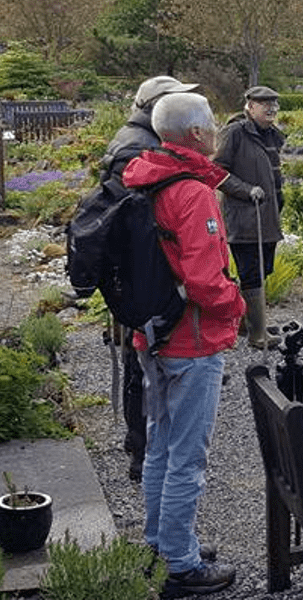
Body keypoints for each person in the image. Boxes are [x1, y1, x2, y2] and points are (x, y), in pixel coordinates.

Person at [122, 91, 242, 596]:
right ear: (196, 134)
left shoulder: (146, 176)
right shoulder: (191, 191)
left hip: (151, 334)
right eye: (211, 123)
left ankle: (161, 541)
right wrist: (237, 306)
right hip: (190, 342)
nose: (216, 130)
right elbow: (203, 281)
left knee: (160, 446)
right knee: (187, 456)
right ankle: (180, 562)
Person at [99, 74, 199, 483]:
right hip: (144, 272)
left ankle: (140, 443)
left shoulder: (136, 139)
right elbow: (137, 221)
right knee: (143, 360)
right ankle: (141, 448)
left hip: (141, 271)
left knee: (143, 356)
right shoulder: (137, 147)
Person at [213, 85, 286, 350]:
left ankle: (246, 323)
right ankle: (258, 335)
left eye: (274, 104)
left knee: (262, 270)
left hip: (267, 218)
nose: (271, 109)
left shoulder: (269, 135)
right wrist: (245, 190)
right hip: (244, 217)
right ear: (250, 106)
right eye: (265, 104)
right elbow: (216, 171)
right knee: (251, 272)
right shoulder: (235, 133)